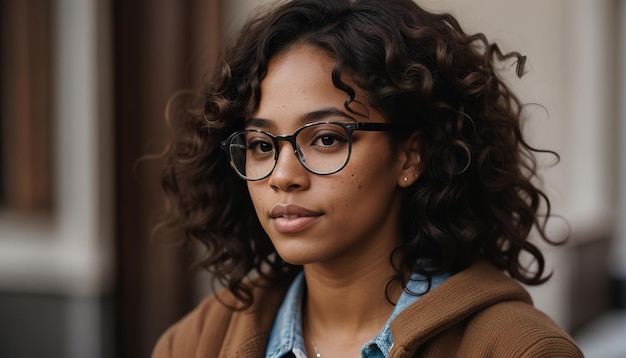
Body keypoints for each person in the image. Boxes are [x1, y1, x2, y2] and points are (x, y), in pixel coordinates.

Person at [152, 0, 583, 357]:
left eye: (325, 138)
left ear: (410, 156)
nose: (283, 176)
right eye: (262, 145)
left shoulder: (519, 349)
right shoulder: (193, 343)